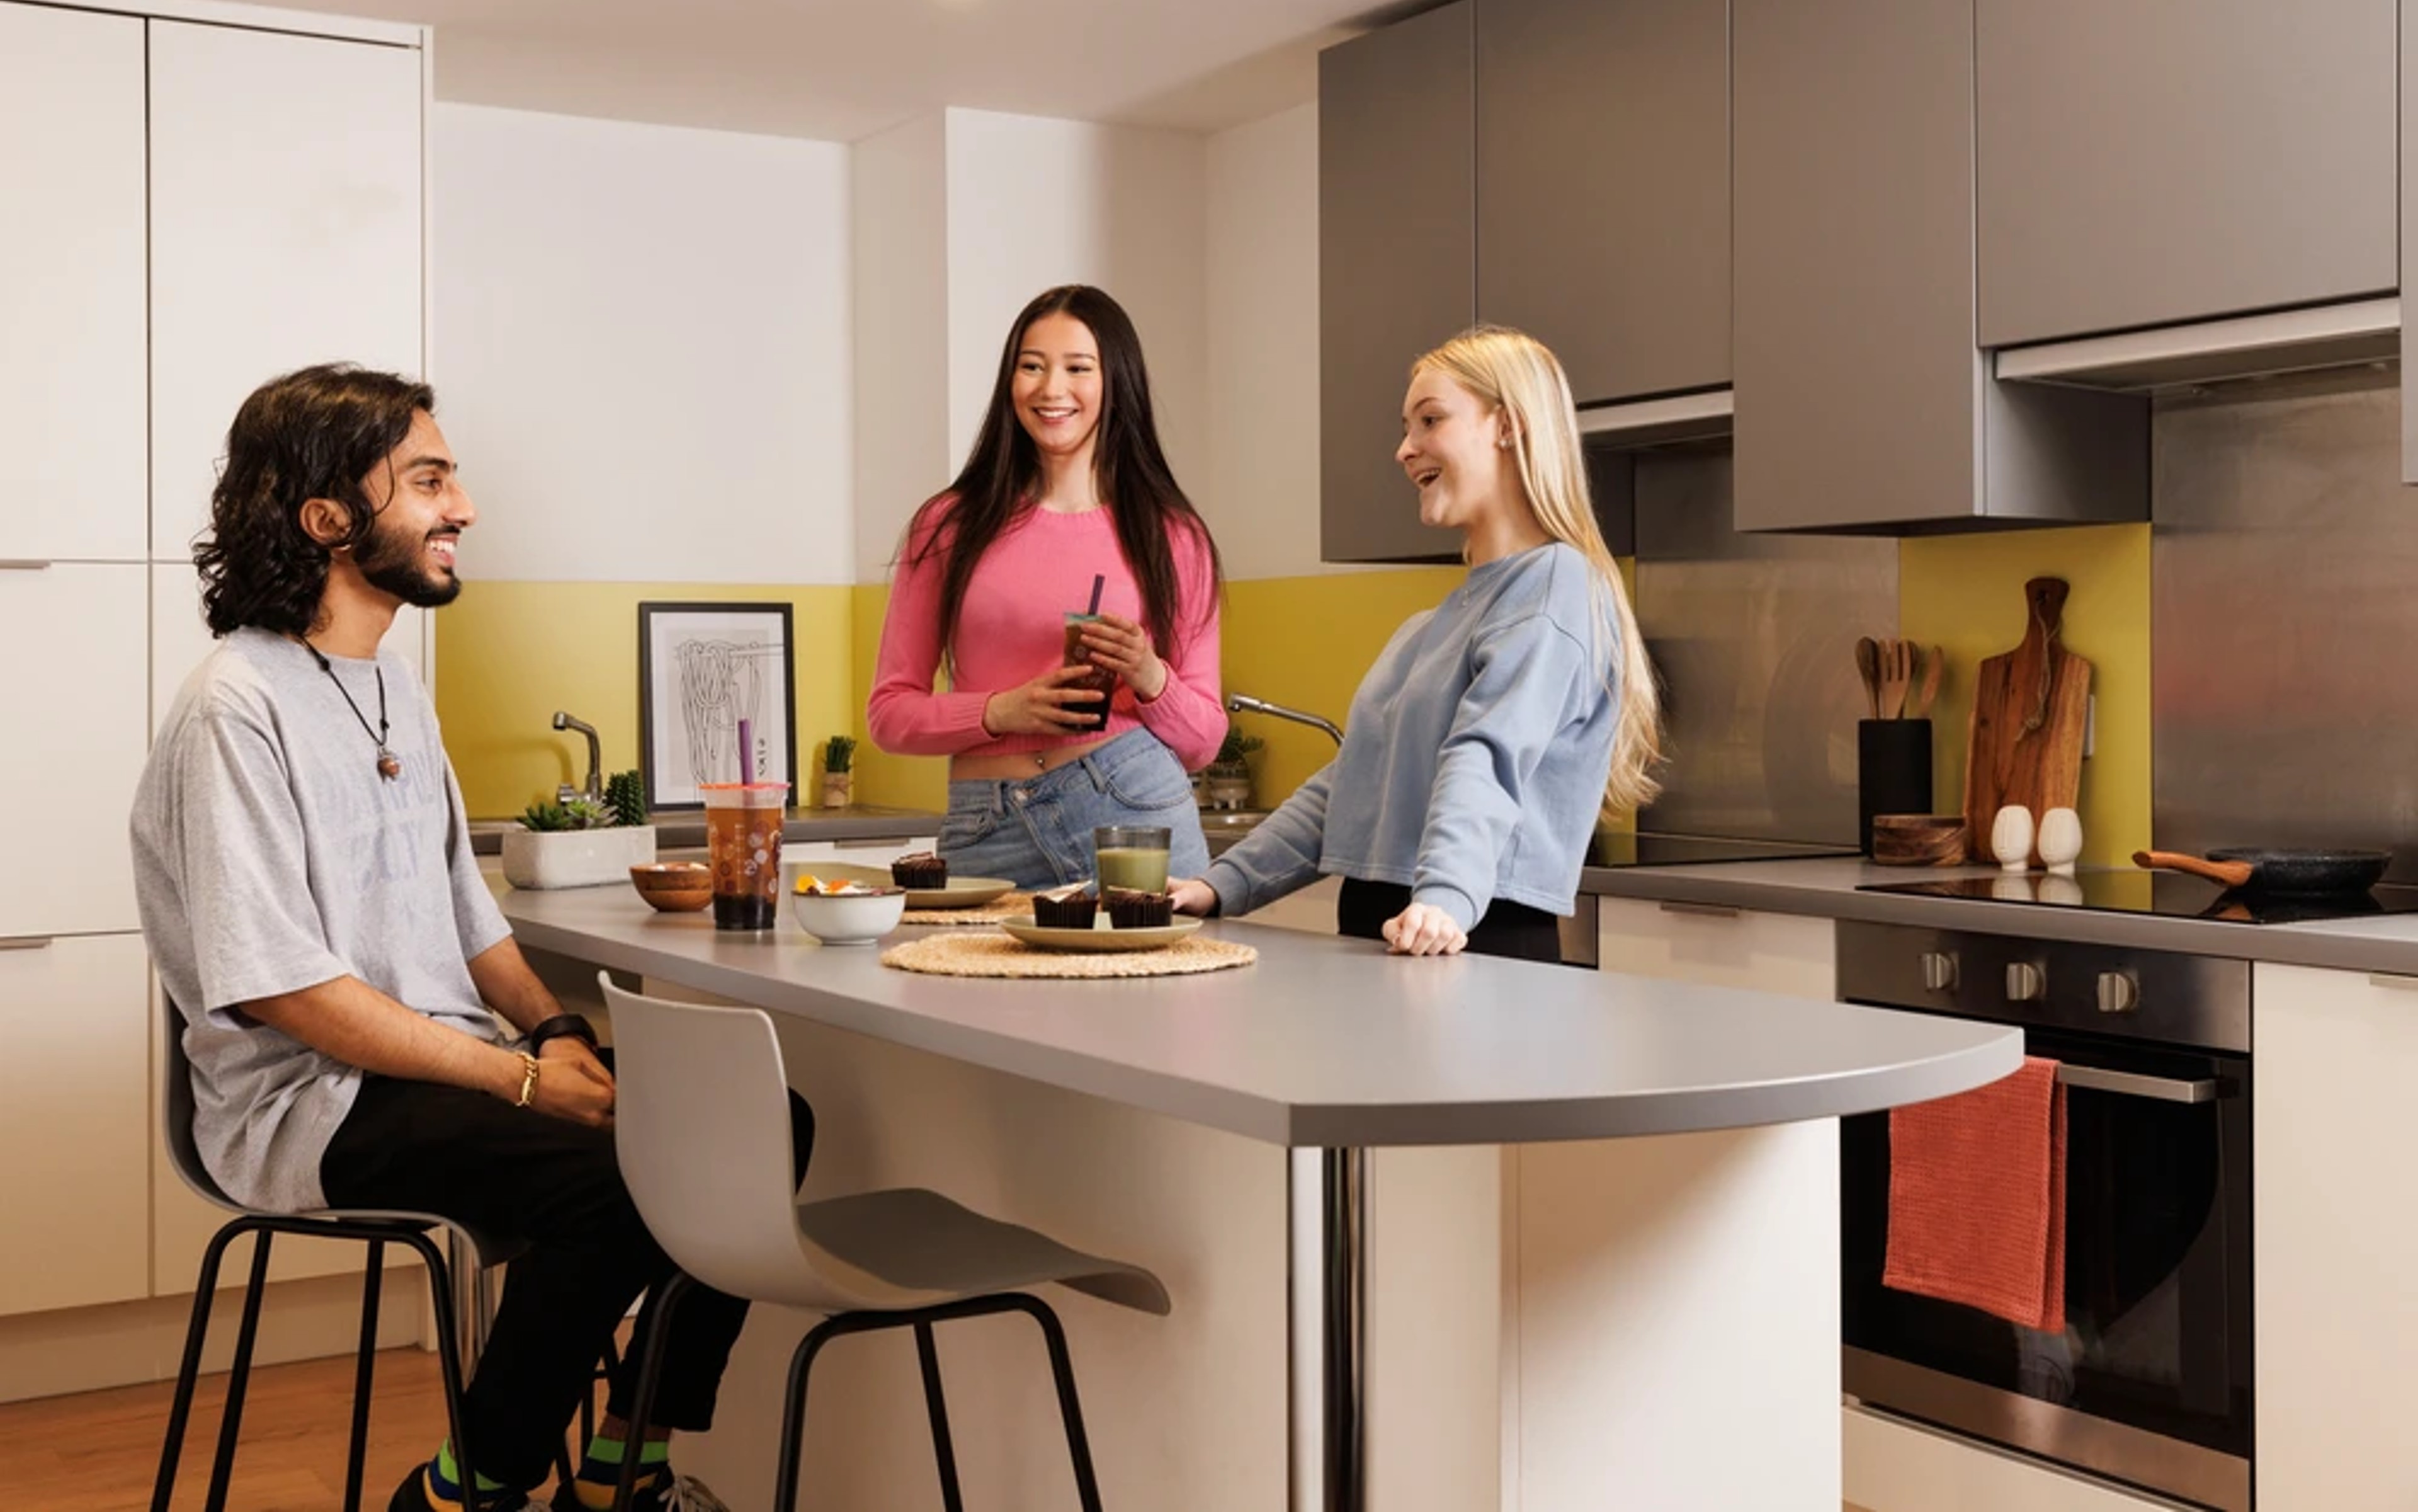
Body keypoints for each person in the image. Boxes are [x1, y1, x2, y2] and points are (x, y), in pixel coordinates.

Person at [130, 364, 798, 1512]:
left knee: (763, 1126)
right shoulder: (233, 705)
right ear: (328, 516)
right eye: (430, 479)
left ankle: (624, 1461)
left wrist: (557, 1028)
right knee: (617, 1185)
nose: (465, 508)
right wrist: (528, 1081)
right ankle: (466, 1487)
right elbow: (288, 990)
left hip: (449, 1069)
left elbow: (466, 917)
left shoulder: (394, 687)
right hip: (312, 1100)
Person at [1171, 325, 1661, 962]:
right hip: (1404, 924)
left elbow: (1488, 753)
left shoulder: (1556, 584)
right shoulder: (1432, 625)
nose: (1406, 449)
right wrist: (1219, 885)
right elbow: (1351, 785)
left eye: (1430, 419)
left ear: (1507, 424)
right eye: (1406, 427)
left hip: (1473, 929)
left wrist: (1447, 897)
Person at [867, 284, 1226, 888]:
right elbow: (889, 715)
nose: (1051, 388)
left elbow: (1204, 741)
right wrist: (1001, 710)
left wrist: (1148, 674)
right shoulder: (948, 526)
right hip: (987, 828)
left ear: (1116, 383)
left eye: (1077, 368)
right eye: (1031, 367)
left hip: (1131, 810)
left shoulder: (1173, 535)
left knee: (1168, 985)